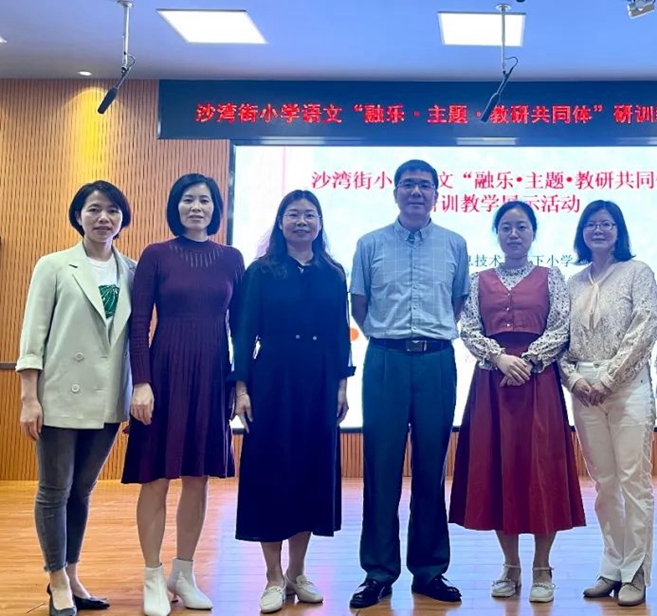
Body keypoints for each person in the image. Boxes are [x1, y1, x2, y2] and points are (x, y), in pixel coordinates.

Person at [449, 201, 586, 603]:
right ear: (497, 233)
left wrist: (528, 360)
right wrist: (499, 358)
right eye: (506, 227)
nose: (513, 234)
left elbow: (561, 326)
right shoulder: (478, 280)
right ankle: (510, 567)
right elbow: (468, 327)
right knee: (498, 469)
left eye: (521, 226)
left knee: (543, 470)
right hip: (492, 383)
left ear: (533, 233)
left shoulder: (552, 276)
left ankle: (543, 567)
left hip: (538, 383)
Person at [348, 159, 470, 609]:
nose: (416, 192)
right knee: (380, 468)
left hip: (436, 361)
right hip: (386, 360)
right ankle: (378, 572)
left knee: (431, 467)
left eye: (424, 185)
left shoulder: (455, 243)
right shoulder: (370, 243)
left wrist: (427, 336)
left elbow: (457, 302)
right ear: (395, 191)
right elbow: (360, 305)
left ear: (436, 193)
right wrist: (390, 337)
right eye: (408, 185)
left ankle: (430, 570)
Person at [122, 173, 245, 616]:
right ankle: (152, 575)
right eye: (188, 200)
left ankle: (184, 572)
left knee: (198, 477)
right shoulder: (156, 255)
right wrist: (141, 382)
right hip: (164, 374)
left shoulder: (231, 258)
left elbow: (240, 327)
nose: (197, 207)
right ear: (176, 206)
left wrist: (238, 384)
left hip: (212, 375)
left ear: (216, 208)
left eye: (205, 200)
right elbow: (138, 324)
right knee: (155, 478)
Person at [232, 190, 356, 613]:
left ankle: (296, 573)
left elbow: (340, 333)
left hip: (319, 380)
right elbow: (244, 333)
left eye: (309, 215)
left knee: (309, 472)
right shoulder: (261, 271)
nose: (302, 221)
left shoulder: (332, 272)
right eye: (293, 214)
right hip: (272, 379)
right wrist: (242, 389)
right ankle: (271, 576)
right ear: (280, 221)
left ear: (319, 223)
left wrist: (342, 384)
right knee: (270, 471)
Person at [17, 181, 136, 616]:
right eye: (94, 209)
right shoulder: (53, 266)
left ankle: (72, 573)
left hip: (108, 399)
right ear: (78, 216)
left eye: (112, 210)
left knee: (81, 491)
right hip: (59, 396)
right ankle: (56, 580)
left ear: (122, 219)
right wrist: (29, 397)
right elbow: (33, 334)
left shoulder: (132, 271)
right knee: (54, 490)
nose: (103, 218)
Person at [559, 200, 657, 608]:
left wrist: (610, 378)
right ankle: (612, 565)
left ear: (619, 231)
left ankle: (636, 571)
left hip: (628, 386)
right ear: (582, 232)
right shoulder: (572, 283)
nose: (598, 230)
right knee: (604, 482)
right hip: (584, 389)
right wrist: (574, 379)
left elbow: (645, 328)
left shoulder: (638, 272)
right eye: (591, 224)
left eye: (607, 224)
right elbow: (558, 339)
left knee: (634, 480)